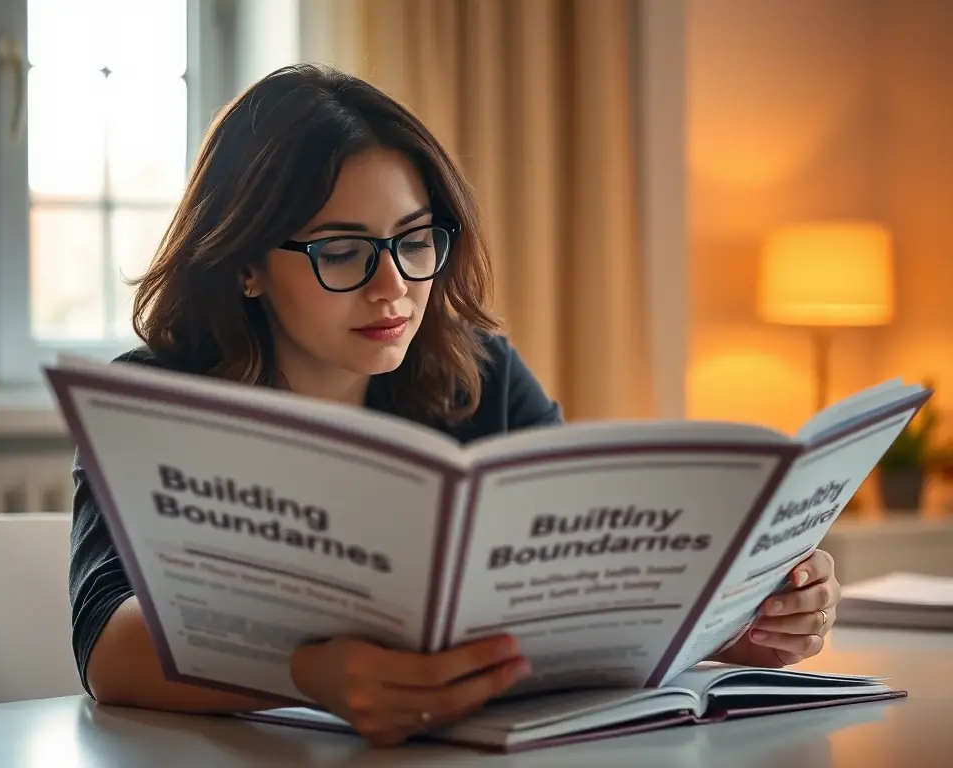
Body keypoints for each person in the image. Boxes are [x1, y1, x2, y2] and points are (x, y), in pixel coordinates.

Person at [69, 63, 841, 747]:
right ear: (245, 266)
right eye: (342, 250)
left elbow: (590, 587)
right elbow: (108, 642)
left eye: (414, 240)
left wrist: (734, 622)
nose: (394, 285)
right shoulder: (155, 403)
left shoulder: (480, 374)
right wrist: (302, 673)